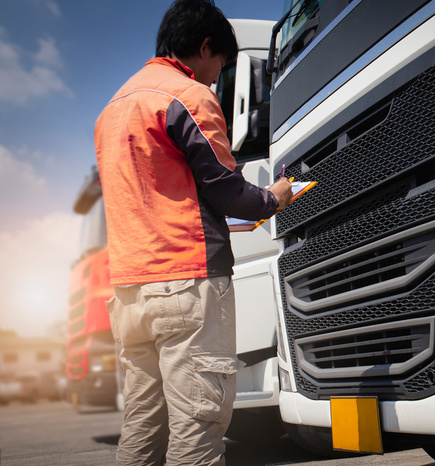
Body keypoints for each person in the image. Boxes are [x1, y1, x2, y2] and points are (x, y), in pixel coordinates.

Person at [93, 0, 292, 464]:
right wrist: (274, 196)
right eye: (218, 65)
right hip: (186, 288)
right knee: (197, 427)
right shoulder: (187, 96)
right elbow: (226, 190)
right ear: (205, 47)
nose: (214, 79)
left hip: (127, 295)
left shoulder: (111, 110)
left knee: (142, 427)